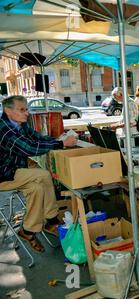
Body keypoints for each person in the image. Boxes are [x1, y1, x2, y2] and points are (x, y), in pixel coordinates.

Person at [0, 95, 77, 252]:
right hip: (4, 175)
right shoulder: (4, 130)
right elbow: (30, 148)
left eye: (27, 109)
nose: (27, 113)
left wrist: (57, 139)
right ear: (8, 110)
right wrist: (61, 143)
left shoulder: (18, 124)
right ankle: (51, 219)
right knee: (43, 175)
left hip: (14, 171)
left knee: (38, 189)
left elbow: (36, 138)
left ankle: (27, 231)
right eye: (22, 110)